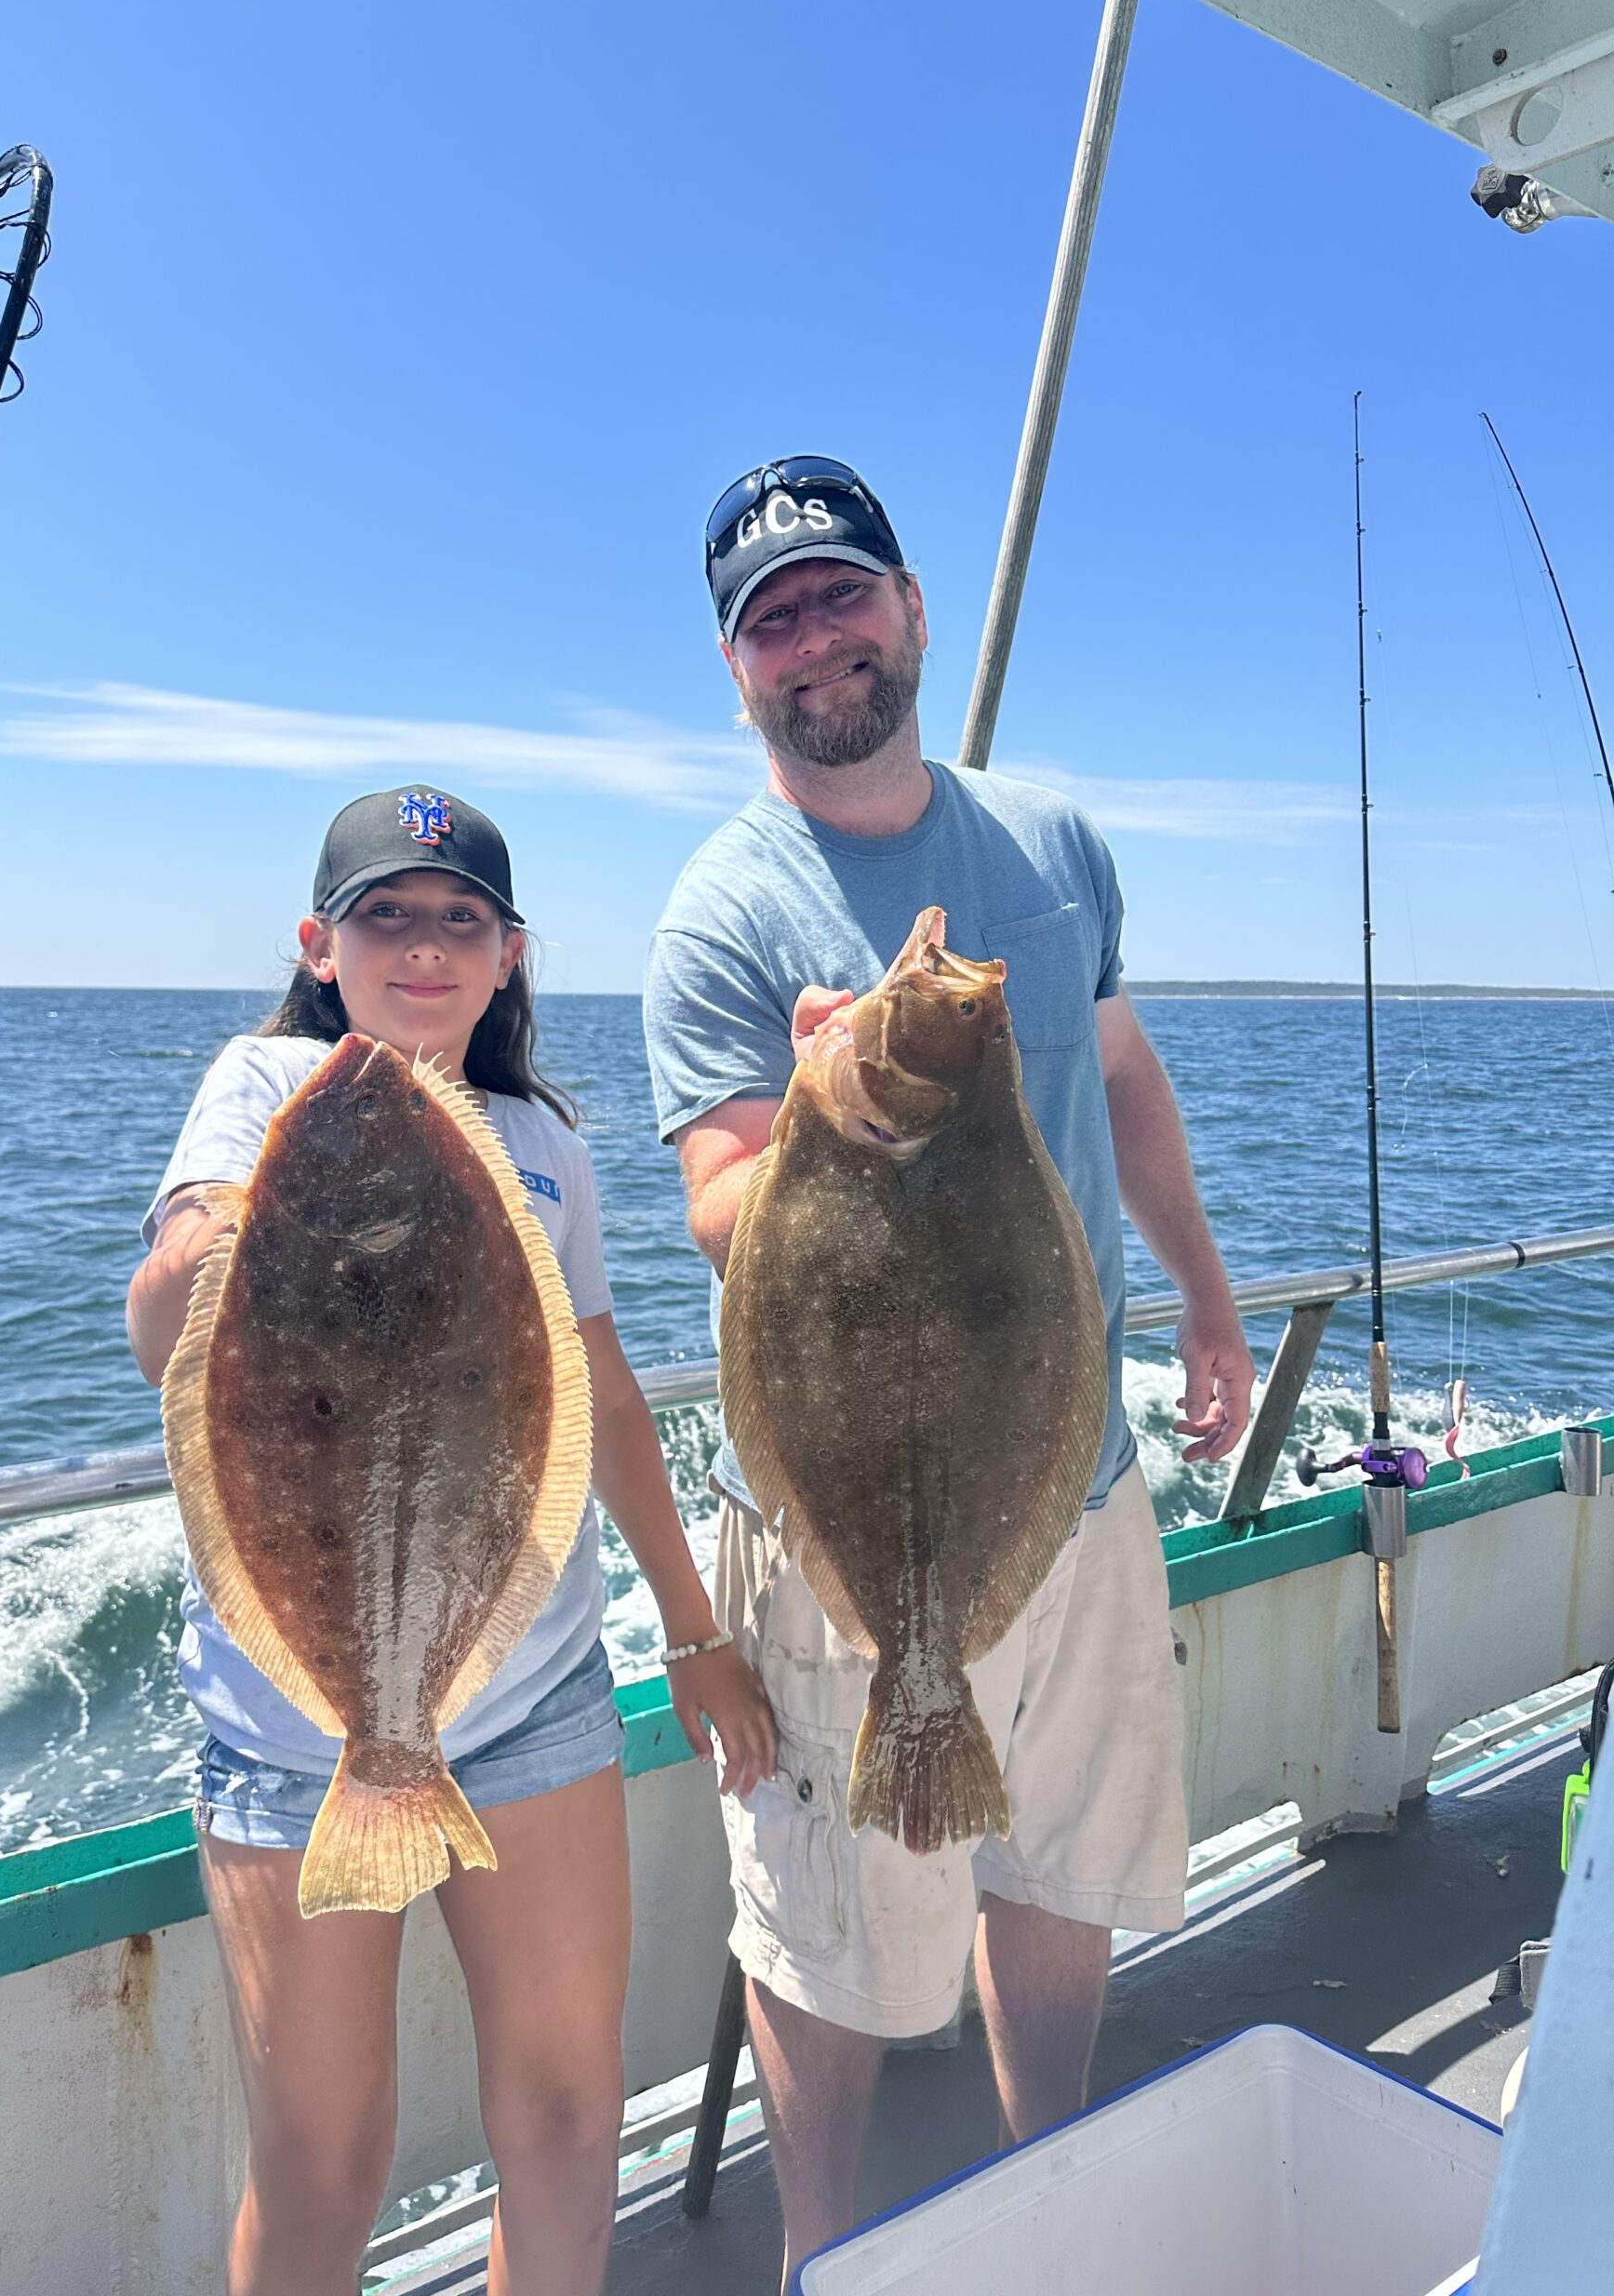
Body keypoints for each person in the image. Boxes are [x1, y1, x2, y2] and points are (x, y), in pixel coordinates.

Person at [643, 458, 1257, 2285]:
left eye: (840, 595)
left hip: (1066, 1478)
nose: (814, 638)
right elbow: (712, 1206)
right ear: (737, 670)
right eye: (772, 620)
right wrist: (833, 1114)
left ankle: (1042, 2197)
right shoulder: (723, 910)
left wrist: (1210, 1300)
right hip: (851, 1496)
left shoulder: (1054, 841)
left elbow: (1121, 1082)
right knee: (836, 1936)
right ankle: (825, 2254)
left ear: (911, 609)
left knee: (1060, 1875)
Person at [127, 783, 778, 2296]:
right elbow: (164, 1327)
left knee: (565, 2114)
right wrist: (216, 1238)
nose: (424, 949)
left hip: (539, 1691)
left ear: (510, 957)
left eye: (459, 921)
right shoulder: (265, 1084)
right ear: (320, 942)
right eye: (387, 917)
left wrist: (692, 1630)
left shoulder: (549, 1136)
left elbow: (600, 1388)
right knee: (321, 2162)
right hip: (306, 1724)